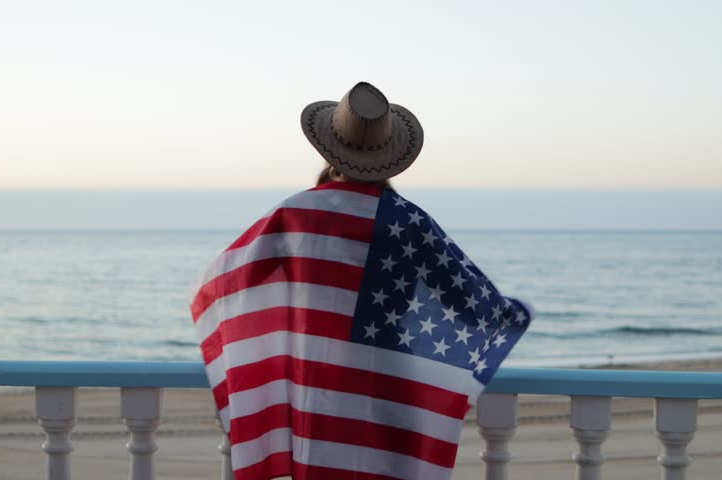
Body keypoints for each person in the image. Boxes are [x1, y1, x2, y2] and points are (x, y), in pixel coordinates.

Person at [191, 82, 533, 480]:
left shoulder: (295, 215)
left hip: (315, 392)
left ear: (329, 150)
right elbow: (475, 309)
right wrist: (518, 312)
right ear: (390, 158)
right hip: (390, 392)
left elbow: (223, 284)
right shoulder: (411, 223)